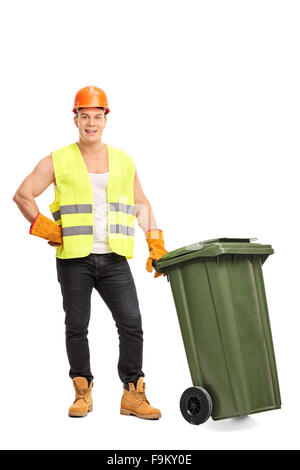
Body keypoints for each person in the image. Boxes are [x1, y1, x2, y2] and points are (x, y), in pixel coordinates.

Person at [12, 85, 168, 420]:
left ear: (105, 119)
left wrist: (155, 243)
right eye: (85, 116)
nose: (91, 123)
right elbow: (23, 195)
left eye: (97, 116)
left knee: (131, 323)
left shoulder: (123, 161)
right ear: (76, 118)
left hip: (114, 258)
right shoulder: (58, 159)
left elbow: (142, 205)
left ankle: (133, 393)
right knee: (77, 326)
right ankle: (82, 392)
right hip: (74, 259)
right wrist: (48, 229)